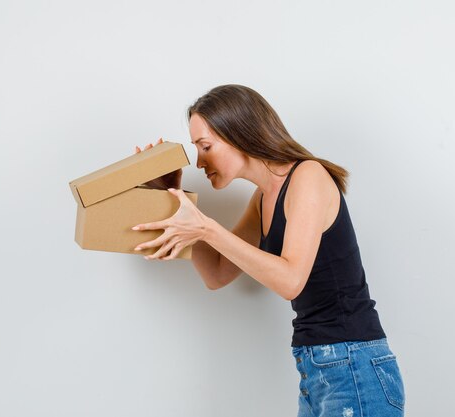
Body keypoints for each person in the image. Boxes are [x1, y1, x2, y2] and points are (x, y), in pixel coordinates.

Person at [132, 84, 405, 417]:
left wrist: (207, 227)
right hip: (316, 367)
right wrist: (176, 195)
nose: (200, 161)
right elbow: (217, 274)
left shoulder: (308, 176)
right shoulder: (263, 199)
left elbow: (291, 280)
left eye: (205, 146)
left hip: (353, 365)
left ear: (239, 134)